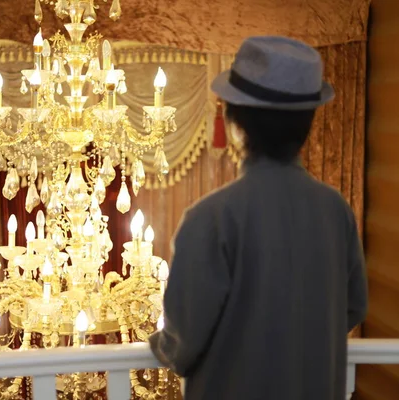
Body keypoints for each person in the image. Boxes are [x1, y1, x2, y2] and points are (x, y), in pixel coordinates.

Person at [148, 36, 368, 400]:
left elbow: (182, 344)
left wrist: (160, 343)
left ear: (236, 122)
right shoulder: (335, 210)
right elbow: (354, 306)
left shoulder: (209, 218)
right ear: (308, 122)